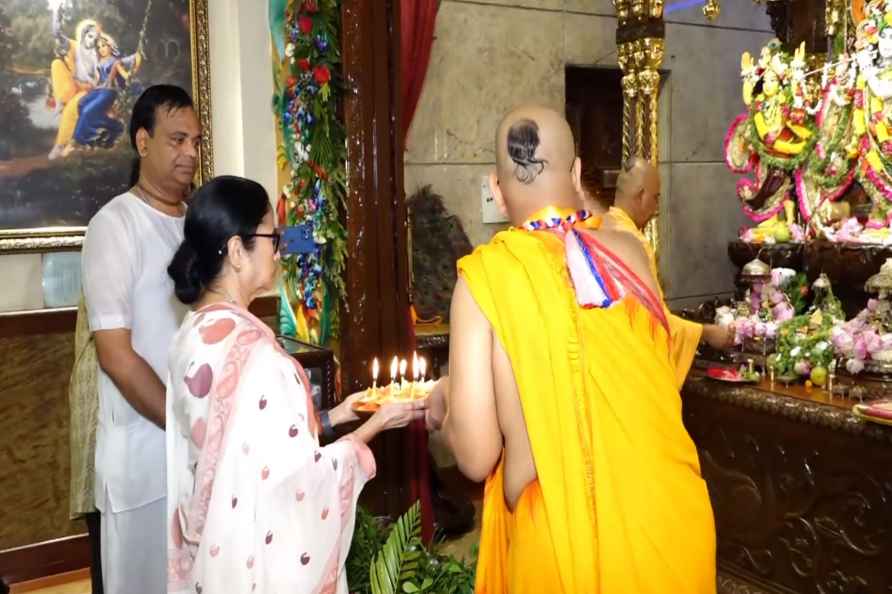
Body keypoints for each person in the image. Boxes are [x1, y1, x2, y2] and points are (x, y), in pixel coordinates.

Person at [426, 106, 716, 593]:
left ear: (497, 190)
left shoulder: (484, 282)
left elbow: (476, 457)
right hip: (666, 521)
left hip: (559, 543)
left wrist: (448, 403)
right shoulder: (632, 253)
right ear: (579, 173)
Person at [165, 176, 426, 594]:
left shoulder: (193, 334)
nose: (280, 248)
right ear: (237, 251)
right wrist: (373, 428)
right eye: (273, 236)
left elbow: (245, 447)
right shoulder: (255, 355)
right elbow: (297, 486)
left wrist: (337, 415)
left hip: (215, 551)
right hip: (252, 559)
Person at [80, 84, 201, 594]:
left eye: (196, 141)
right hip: (144, 454)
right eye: (177, 140)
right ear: (143, 141)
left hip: (198, 449)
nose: (191, 153)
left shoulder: (200, 224)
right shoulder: (114, 225)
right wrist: (185, 421)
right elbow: (116, 356)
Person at [602, 156, 734, 365]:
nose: (656, 209)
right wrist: (708, 333)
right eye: (655, 198)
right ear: (640, 196)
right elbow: (655, 323)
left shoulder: (597, 229)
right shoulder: (634, 244)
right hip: (631, 364)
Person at [48, 6, 101, 159]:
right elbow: (57, 34)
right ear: (83, 35)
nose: (92, 41)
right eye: (90, 36)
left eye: (95, 38)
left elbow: (97, 79)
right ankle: (61, 101)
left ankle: (60, 145)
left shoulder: (96, 55)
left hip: (86, 90)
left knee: (72, 108)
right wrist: (56, 14)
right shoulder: (74, 45)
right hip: (71, 87)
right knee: (56, 64)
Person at [73, 33, 142, 148]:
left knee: (87, 112)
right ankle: (108, 128)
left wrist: (130, 76)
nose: (101, 49)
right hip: (99, 90)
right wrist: (90, 84)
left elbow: (125, 76)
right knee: (81, 104)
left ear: (110, 46)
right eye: (99, 47)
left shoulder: (116, 62)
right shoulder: (100, 62)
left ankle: (84, 137)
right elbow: (99, 79)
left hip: (109, 92)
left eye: (104, 46)